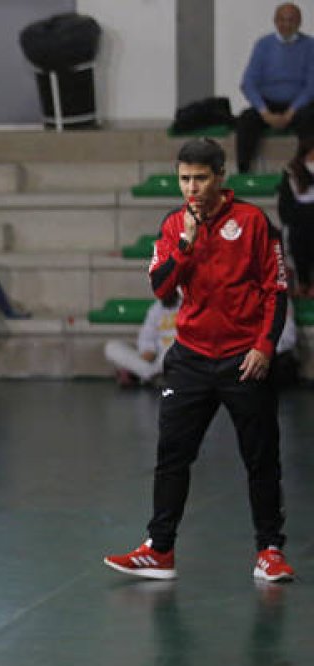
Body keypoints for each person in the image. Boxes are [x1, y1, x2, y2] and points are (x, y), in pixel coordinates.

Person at [104, 138, 295, 583]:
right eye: (185, 178)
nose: (192, 187)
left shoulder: (252, 222)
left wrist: (265, 346)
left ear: (220, 177)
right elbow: (160, 287)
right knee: (172, 455)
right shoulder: (172, 225)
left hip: (243, 360)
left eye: (201, 178)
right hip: (189, 359)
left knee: (261, 458)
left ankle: (269, 551)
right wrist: (185, 244)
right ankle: (160, 549)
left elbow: (275, 290)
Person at [236, 3, 314, 173]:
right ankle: (244, 172)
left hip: (298, 106)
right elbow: (248, 82)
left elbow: (311, 85)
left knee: (310, 120)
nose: (286, 24)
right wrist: (264, 112)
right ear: (275, 21)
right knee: (246, 120)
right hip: (268, 104)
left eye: (291, 20)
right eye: (282, 20)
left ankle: (305, 173)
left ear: (299, 22)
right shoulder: (263, 45)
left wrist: (291, 112)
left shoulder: (310, 46)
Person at [103, 292, 180, 387]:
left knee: (174, 350)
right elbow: (146, 337)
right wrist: (148, 350)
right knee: (111, 347)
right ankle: (153, 375)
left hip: (174, 357)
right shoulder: (155, 309)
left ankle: (141, 375)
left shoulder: (188, 306)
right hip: (155, 359)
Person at [277, 134, 314, 296]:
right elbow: (285, 205)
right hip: (299, 224)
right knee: (298, 238)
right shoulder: (292, 172)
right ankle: (303, 282)